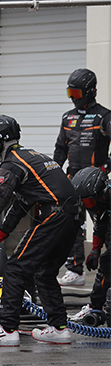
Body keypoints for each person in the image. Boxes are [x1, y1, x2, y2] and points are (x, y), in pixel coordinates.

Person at [0, 115, 81, 346]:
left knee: (15, 269)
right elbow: (20, 205)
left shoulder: (12, 163)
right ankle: (59, 328)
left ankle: (7, 330)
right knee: (44, 272)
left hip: (54, 215)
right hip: (71, 217)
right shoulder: (32, 157)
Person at [53, 69, 111, 286]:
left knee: (104, 224)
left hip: (97, 183)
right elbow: (60, 149)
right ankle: (75, 271)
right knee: (70, 223)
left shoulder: (104, 116)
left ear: (90, 92)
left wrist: (105, 168)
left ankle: (105, 270)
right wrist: (55, 173)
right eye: (70, 92)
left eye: (76, 93)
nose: (72, 98)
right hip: (72, 181)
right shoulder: (67, 117)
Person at [69, 167, 110, 326]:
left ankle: (95, 307)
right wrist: (95, 250)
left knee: (107, 264)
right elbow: (101, 224)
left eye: (89, 201)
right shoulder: (104, 202)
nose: (89, 205)